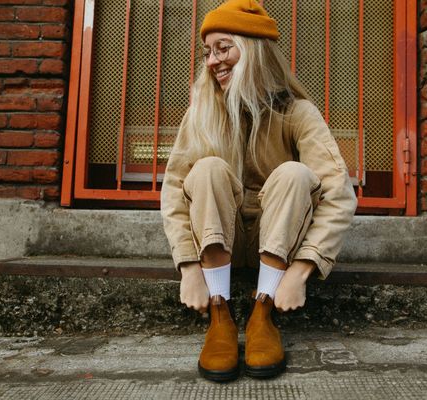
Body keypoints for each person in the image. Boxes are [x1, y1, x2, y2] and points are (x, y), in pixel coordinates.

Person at [160, 0, 357, 382]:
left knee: (294, 174)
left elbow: (337, 194)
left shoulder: (298, 112)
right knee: (207, 169)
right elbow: (174, 191)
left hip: (278, 246)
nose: (212, 61)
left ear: (254, 51)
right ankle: (220, 313)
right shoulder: (201, 112)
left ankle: (262, 313)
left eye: (223, 48)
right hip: (222, 243)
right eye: (207, 52)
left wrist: (301, 271)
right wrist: (188, 267)